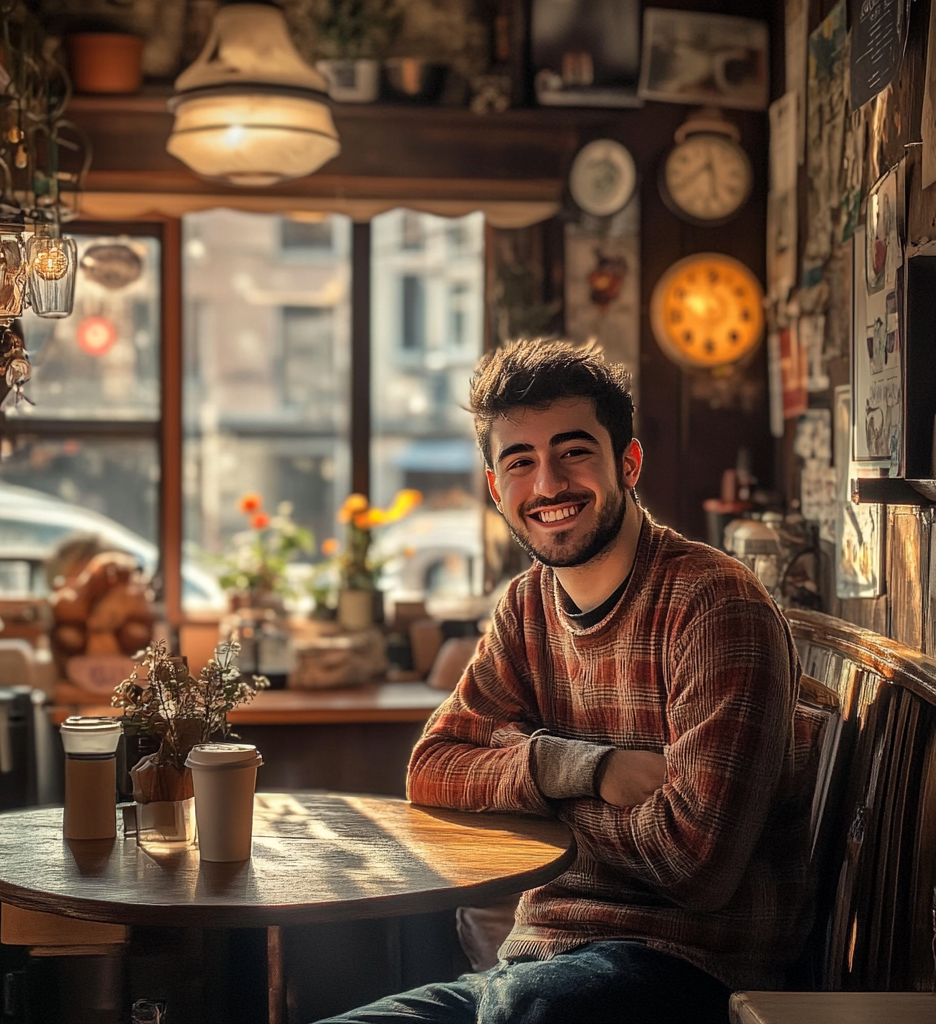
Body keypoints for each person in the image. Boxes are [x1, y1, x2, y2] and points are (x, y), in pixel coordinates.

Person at [317, 339, 817, 1024]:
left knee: (536, 1006)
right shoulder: (526, 606)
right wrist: (575, 767)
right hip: (532, 963)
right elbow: (432, 770)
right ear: (497, 488)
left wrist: (520, 795)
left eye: (574, 452)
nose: (548, 485)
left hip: (687, 969)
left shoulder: (715, 604)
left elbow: (696, 865)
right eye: (520, 462)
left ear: (629, 462)